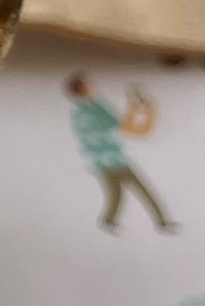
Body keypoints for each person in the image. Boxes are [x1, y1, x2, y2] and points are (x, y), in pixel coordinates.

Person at [64, 73, 177, 233]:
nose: (91, 85)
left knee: (118, 194)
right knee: (137, 190)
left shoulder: (80, 110)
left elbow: (121, 126)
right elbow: (124, 126)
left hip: (102, 159)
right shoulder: (92, 108)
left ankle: (110, 221)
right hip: (111, 159)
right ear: (82, 88)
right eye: (87, 84)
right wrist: (136, 106)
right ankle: (161, 223)